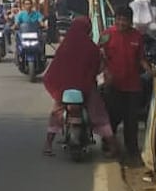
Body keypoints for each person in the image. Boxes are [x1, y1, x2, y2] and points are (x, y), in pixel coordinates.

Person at [42, 16, 116, 157]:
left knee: (56, 114)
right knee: (99, 114)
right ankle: (113, 146)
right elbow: (99, 68)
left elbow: (55, 69)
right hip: (85, 88)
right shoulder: (91, 47)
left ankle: (48, 144)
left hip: (64, 89)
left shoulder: (65, 46)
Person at [100, 7, 154, 164]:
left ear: (131, 21)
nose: (121, 23)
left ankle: (132, 152)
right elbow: (99, 55)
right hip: (113, 86)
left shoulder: (137, 36)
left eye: (125, 20)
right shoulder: (106, 35)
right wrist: (105, 72)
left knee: (131, 121)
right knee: (112, 117)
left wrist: (150, 71)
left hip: (133, 86)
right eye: (119, 19)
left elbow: (141, 58)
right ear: (115, 19)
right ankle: (109, 146)